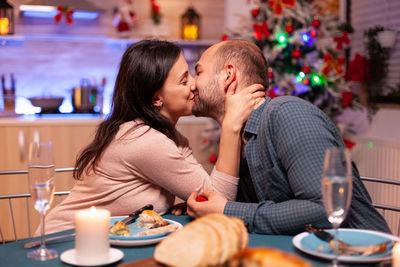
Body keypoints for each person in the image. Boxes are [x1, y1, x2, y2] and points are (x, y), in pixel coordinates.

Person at [41, 40, 264, 235]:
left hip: (105, 238)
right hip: (64, 240)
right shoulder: (143, 140)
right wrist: (230, 125)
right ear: (157, 98)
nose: (194, 84)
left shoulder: (169, 136)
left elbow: (208, 196)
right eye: (184, 80)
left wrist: (194, 202)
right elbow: (219, 202)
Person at [185, 39, 391, 235]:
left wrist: (228, 211)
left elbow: (325, 209)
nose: (192, 84)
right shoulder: (235, 134)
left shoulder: (287, 114)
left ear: (228, 75)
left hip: (357, 253)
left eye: (198, 72)